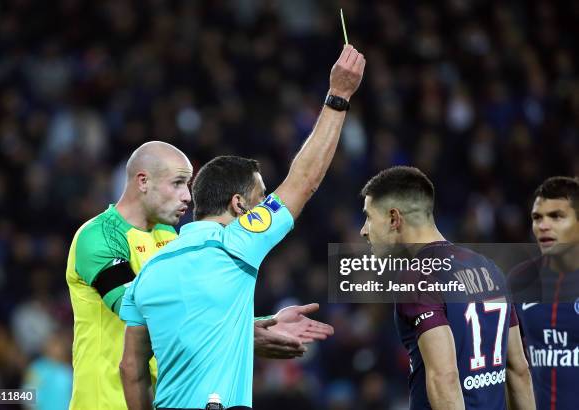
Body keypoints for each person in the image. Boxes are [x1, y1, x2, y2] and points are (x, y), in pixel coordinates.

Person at [119, 44, 365, 409]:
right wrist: (339, 96)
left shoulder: (148, 272)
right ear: (239, 205)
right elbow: (304, 180)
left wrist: (252, 327)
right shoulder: (234, 243)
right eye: (261, 197)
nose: (265, 205)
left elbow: (131, 367)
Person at [66, 141, 334, 409]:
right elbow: (141, 309)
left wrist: (261, 324)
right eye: (178, 183)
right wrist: (245, 335)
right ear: (143, 181)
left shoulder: (168, 237)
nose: (187, 196)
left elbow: (189, 311)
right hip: (103, 400)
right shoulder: (99, 235)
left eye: (189, 185)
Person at [359, 166, 535, 410]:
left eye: (368, 217)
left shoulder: (418, 277)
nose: (364, 230)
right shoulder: (490, 268)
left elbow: (445, 379)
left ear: (394, 218)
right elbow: (519, 371)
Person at [509, 176, 579, 410]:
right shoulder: (520, 280)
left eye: (556, 216)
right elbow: (509, 367)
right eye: (537, 217)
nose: (543, 226)